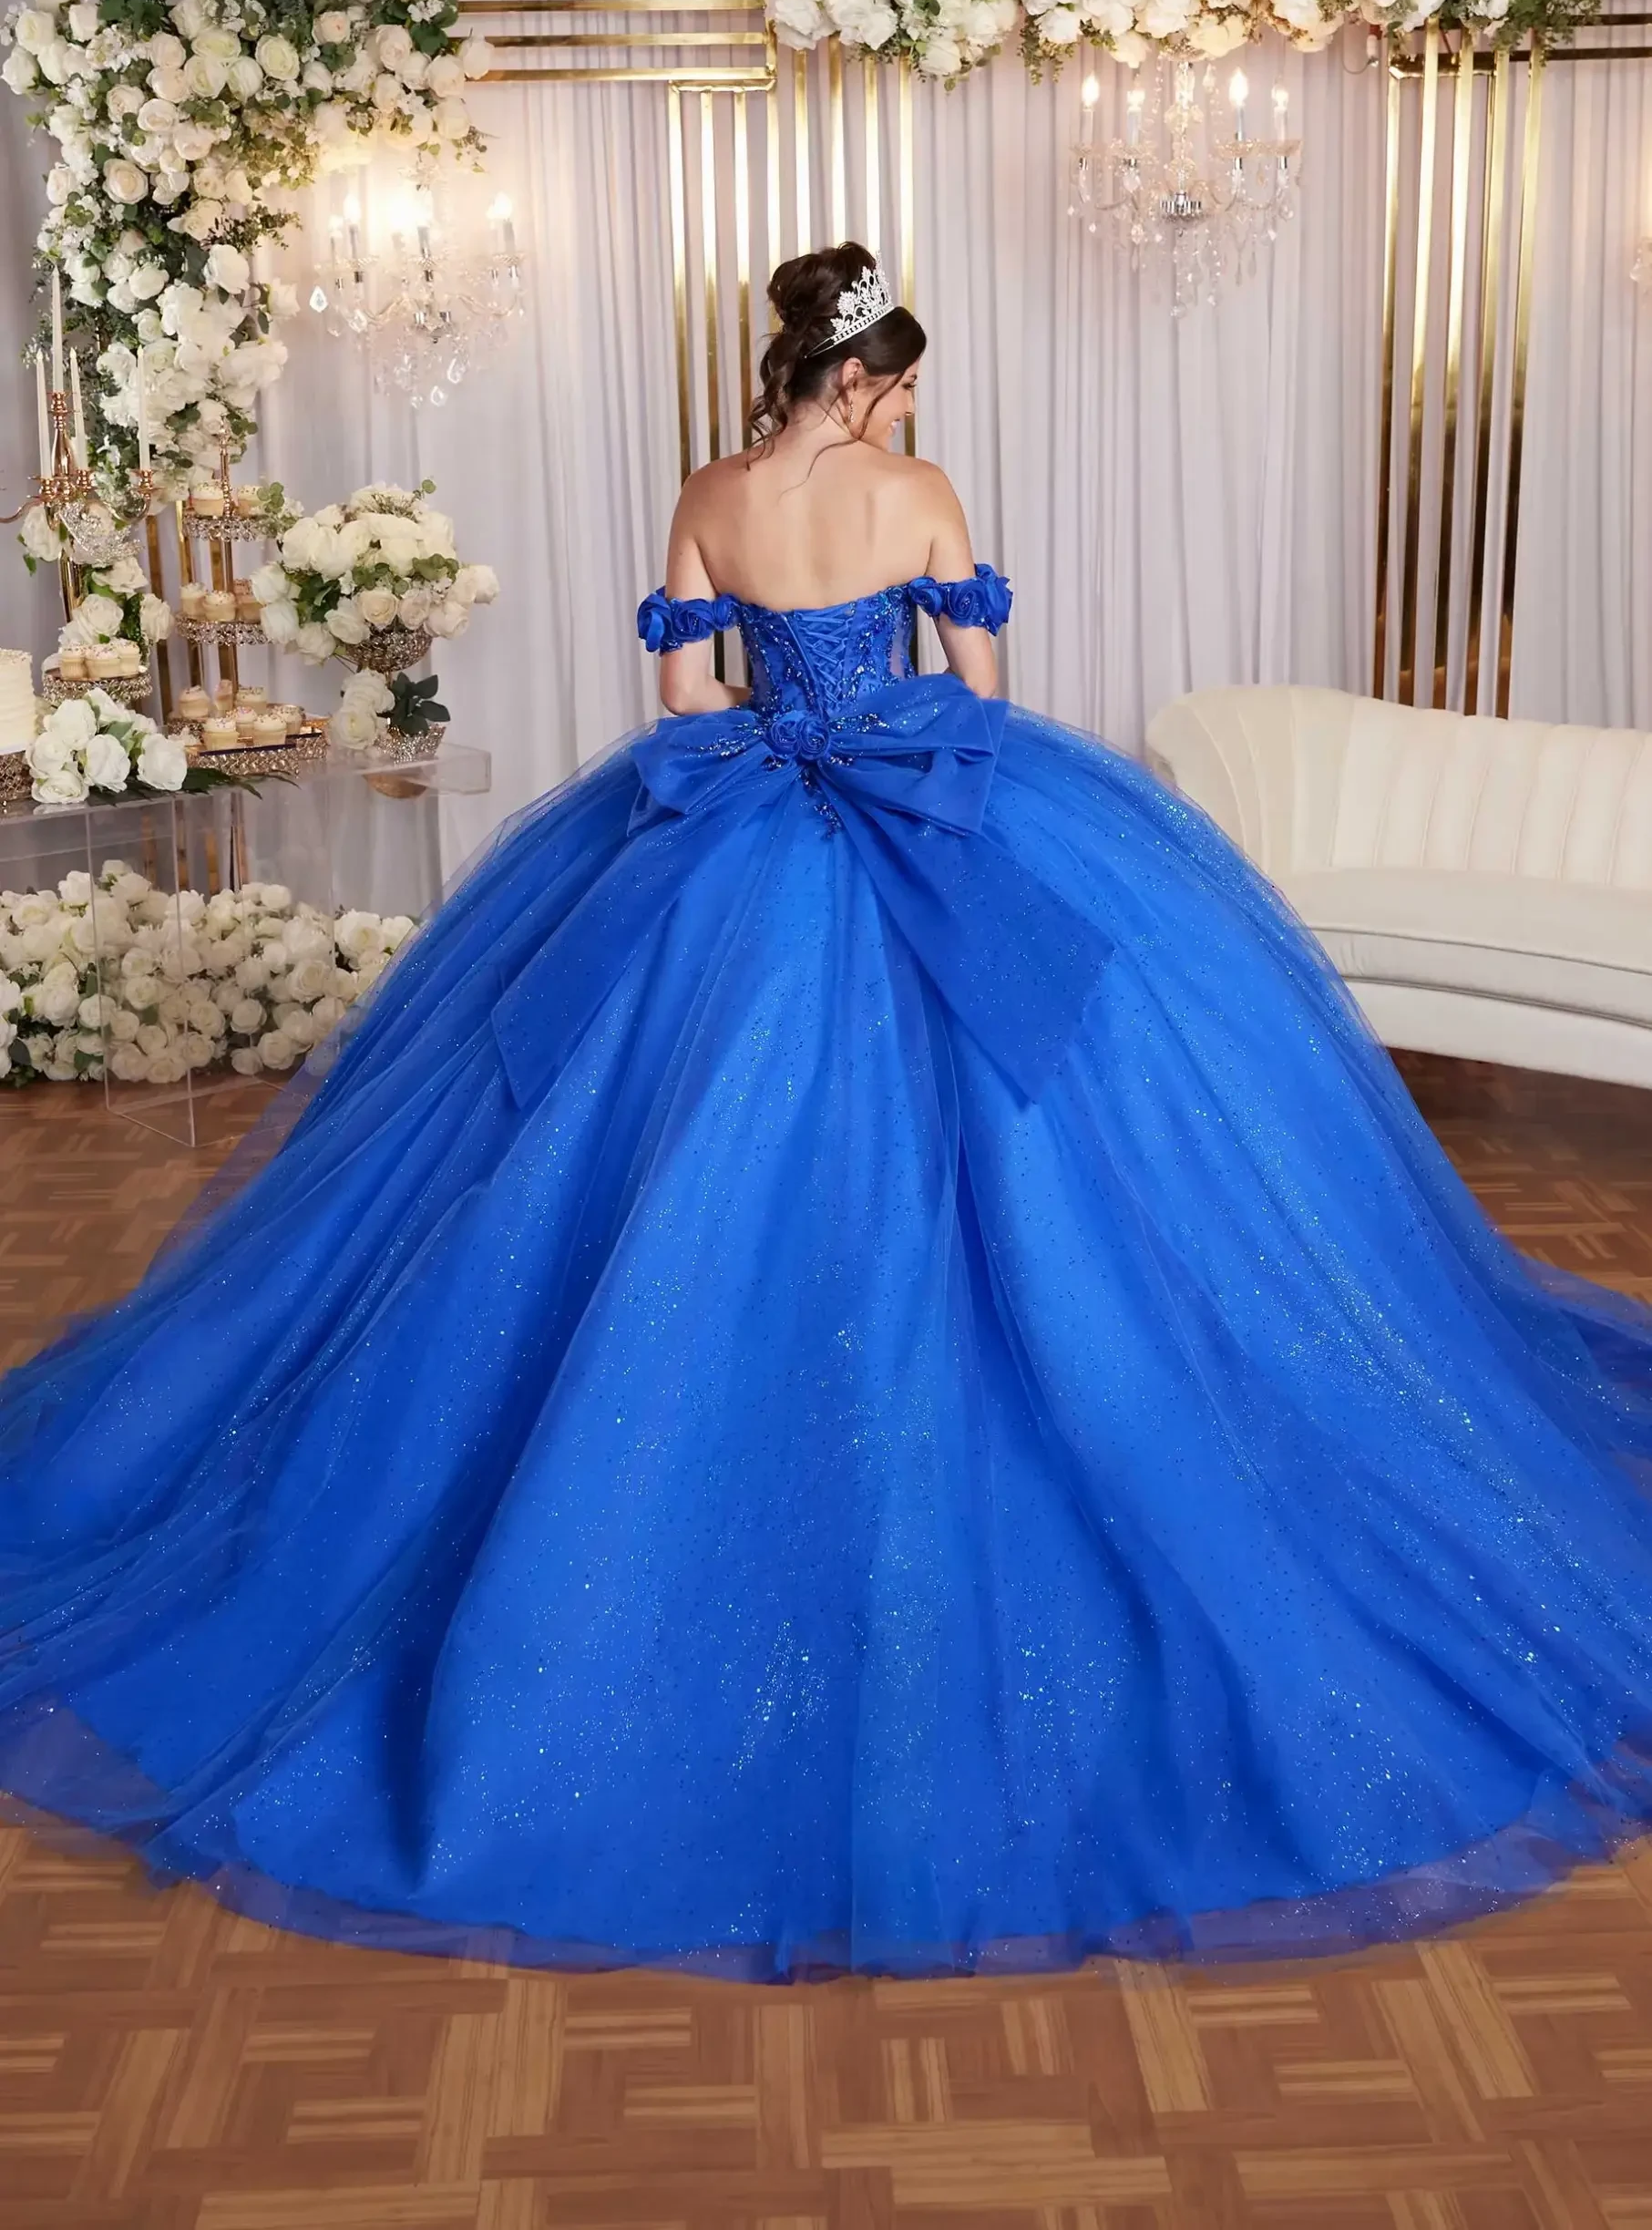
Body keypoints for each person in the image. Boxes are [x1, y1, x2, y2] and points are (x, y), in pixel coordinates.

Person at [2, 242, 1650, 1983]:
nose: (919, 404)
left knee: (654, 1136)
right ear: (859, 379)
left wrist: (795, 735)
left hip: (745, 837)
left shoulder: (712, 494)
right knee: (1050, 1125)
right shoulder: (917, 489)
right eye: (908, 378)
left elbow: (686, 703)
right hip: (931, 814)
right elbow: (983, 699)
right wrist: (898, 725)